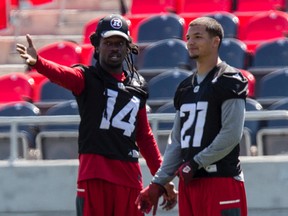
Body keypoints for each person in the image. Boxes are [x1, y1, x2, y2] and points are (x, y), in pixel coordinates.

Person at [16, 14, 177, 216]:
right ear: (97, 46)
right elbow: (64, 74)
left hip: (129, 179)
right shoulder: (86, 78)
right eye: (108, 42)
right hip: (94, 177)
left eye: (120, 43)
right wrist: (39, 63)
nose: (115, 48)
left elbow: (144, 137)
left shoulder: (138, 86)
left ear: (128, 47)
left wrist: (163, 179)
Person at [136, 16, 248, 216]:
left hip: (220, 180)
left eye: (198, 37)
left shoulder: (230, 79)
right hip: (190, 184)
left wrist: (196, 162)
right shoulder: (185, 87)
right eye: (188, 37)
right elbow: (177, 142)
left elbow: (231, 134)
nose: (190, 42)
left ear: (216, 41)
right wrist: (158, 183)